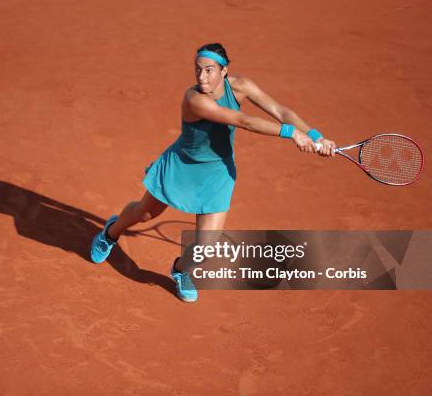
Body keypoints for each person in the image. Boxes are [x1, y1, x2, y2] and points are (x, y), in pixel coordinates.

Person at [90, 43, 336, 302]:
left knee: (206, 247)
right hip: (181, 167)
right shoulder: (194, 99)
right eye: (198, 70)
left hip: (217, 174)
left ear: (224, 72)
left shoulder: (242, 86)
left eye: (209, 71)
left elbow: (281, 111)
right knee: (144, 213)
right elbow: (242, 120)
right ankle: (110, 232)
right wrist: (291, 134)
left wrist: (316, 136)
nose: (201, 77)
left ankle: (181, 270)